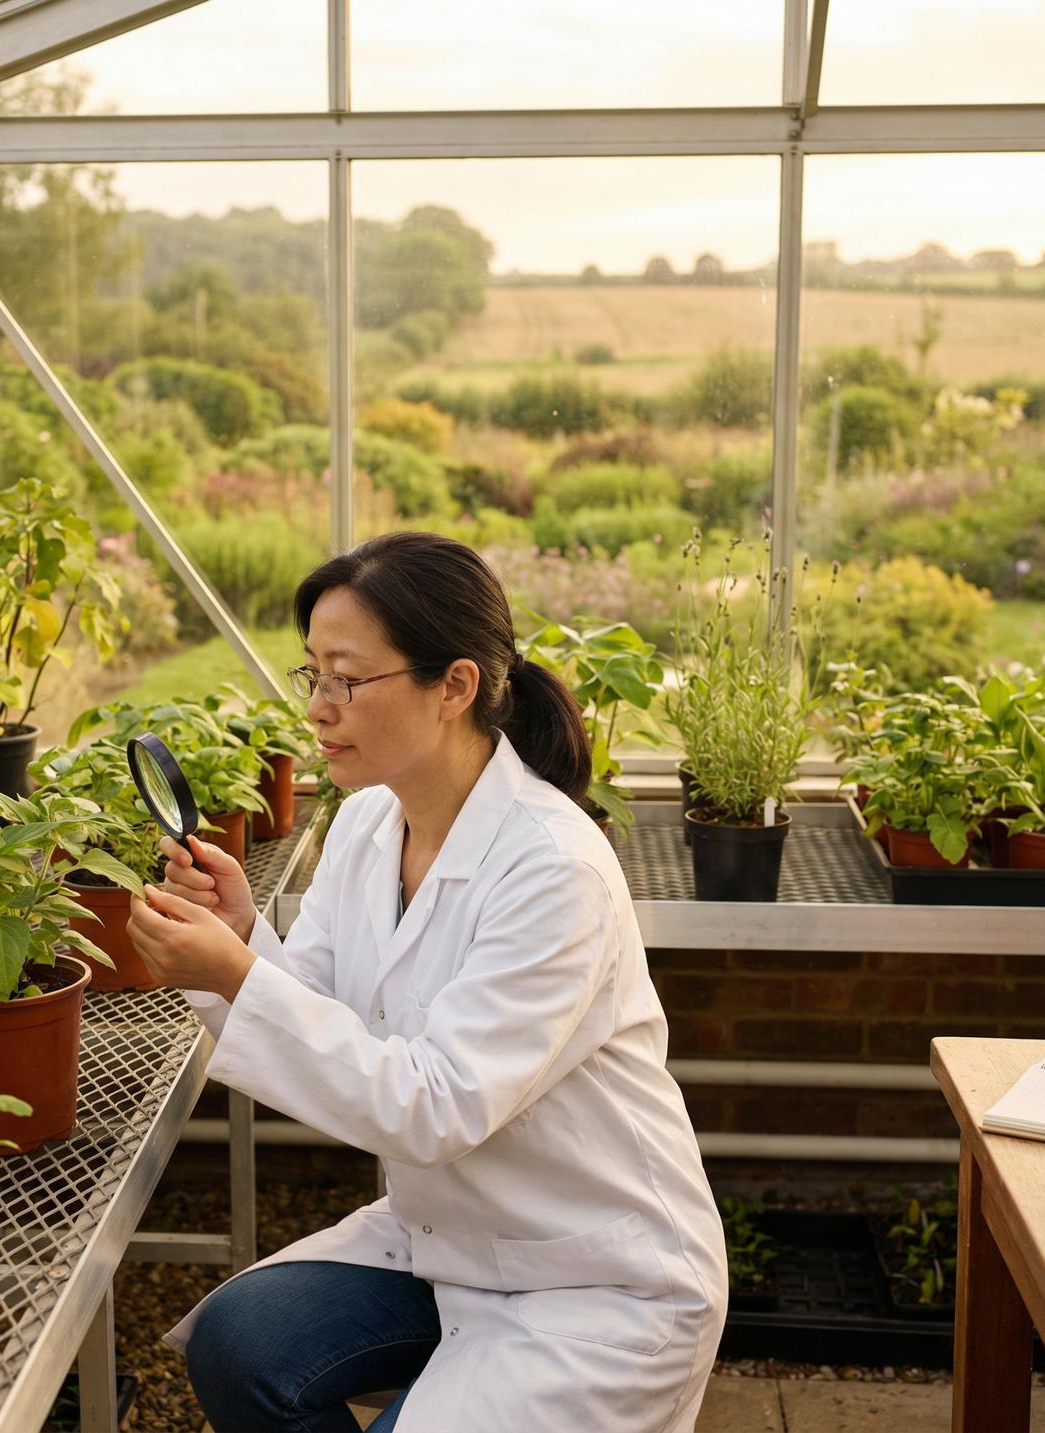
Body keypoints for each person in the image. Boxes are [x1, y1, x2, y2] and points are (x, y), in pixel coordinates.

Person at [125, 531, 727, 1432]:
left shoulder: (553, 868)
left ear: (454, 685)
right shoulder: (369, 823)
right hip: (449, 1240)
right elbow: (326, 1009)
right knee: (240, 1342)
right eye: (313, 676)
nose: (320, 710)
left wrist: (239, 973)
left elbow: (436, 1105)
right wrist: (244, 935)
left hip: (596, 1274)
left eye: (348, 679)